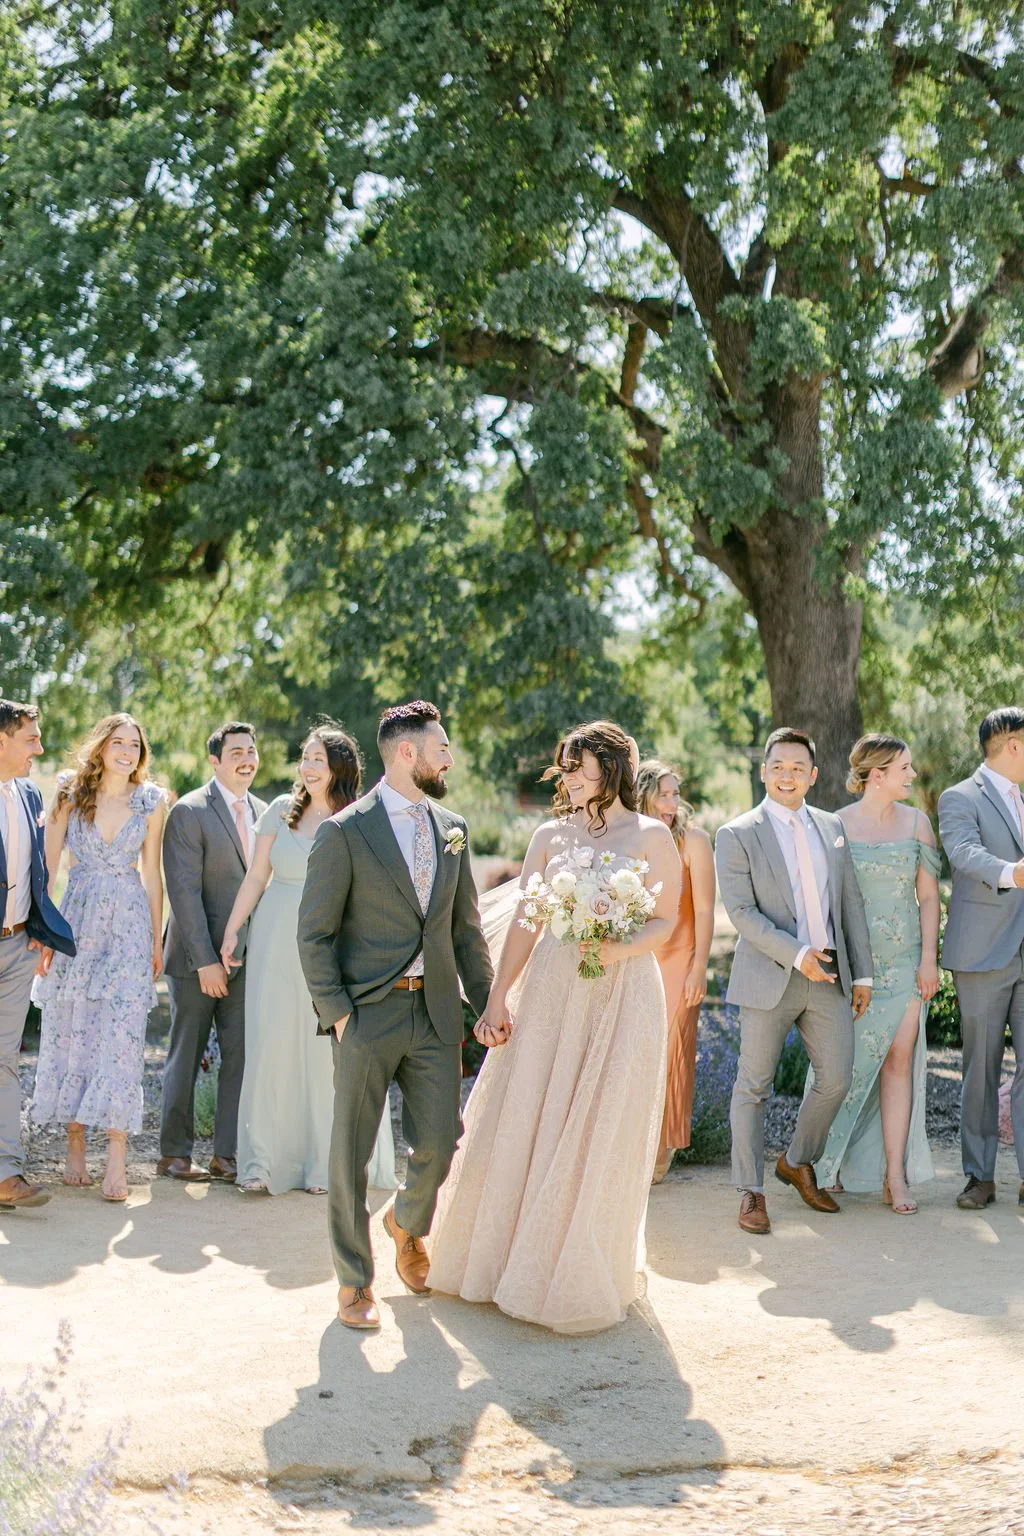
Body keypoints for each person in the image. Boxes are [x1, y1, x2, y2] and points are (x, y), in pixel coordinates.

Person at [428, 720, 682, 1335]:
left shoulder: (653, 836)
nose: (566, 776)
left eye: (578, 765)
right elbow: (526, 921)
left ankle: (575, 1264)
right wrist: (496, 999)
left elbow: (665, 921)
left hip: (621, 991)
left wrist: (611, 951)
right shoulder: (548, 835)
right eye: (563, 766)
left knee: (598, 1119)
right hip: (551, 988)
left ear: (613, 768)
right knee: (532, 1112)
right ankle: (503, 1261)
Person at [297, 700, 492, 1332]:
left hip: (435, 1012)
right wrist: (339, 1013)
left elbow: (466, 932)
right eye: (440, 747)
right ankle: (355, 1282)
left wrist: (488, 1006)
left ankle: (407, 1224)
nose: (448, 758)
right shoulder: (344, 832)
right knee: (350, 1154)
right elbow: (315, 935)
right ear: (407, 753)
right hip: (367, 1014)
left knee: (441, 1141)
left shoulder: (454, 827)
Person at [221, 723, 396, 1195]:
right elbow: (257, 876)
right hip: (276, 938)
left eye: (319, 759)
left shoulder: (358, 817)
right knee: (270, 1046)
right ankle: (261, 1164)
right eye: (307, 758)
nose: (309, 767)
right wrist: (233, 928)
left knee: (327, 1053)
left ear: (339, 766)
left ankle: (324, 1166)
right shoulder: (280, 811)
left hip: (332, 942)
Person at [714, 728, 873, 1235]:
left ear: (813, 775)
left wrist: (861, 972)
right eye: (778, 766)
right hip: (770, 974)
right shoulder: (737, 833)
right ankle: (750, 1193)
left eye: (797, 768)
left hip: (828, 974)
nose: (787, 775)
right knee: (753, 1086)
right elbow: (741, 913)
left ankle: (797, 1161)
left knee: (838, 1078)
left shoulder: (832, 828)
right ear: (763, 772)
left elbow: (850, 904)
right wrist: (796, 952)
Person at [31, 714, 165, 1201]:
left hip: (129, 925)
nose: (127, 752)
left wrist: (156, 940)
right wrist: (44, 932)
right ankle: (74, 1142)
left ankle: (116, 1156)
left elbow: (152, 873)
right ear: (102, 747)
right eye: (119, 742)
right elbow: (47, 867)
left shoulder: (151, 801)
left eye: (135, 745)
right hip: (78, 920)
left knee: (123, 1037)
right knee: (73, 1027)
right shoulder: (69, 792)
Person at [808, 735, 940, 1212]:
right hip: (856, 968)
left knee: (898, 1062)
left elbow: (928, 897)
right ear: (877, 774)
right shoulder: (836, 824)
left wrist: (929, 959)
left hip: (905, 962)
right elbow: (826, 902)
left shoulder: (918, 824)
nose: (912, 775)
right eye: (904, 768)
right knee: (843, 1065)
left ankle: (895, 1176)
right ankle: (824, 1163)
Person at [159, 721, 266, 1183]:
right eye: (236, 752)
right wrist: (205, 961)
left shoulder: (267, 814)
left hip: (247, 961)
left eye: (251, 750)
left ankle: (228, 1154)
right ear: (215, 761)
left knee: (241, 1057)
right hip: (194, 960)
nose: (246, 758)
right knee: (187, 1053)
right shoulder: (189, 811)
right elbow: (183, 892)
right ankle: (174, 1154)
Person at [938, 706, 1024, 1210]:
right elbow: (964, 853)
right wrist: (1014, 872)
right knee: (981, 1069)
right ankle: (979, 1176)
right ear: (1012, 743)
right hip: (983, 956)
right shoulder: (959, 797)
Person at [0, 700, 76, 1211]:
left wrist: (37, 924)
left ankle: (6, 1173)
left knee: (4, 1059)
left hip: (17, 946)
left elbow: (37, 867)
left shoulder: (28, 793)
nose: (40, 748)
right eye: (31, 738)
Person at [635, 760, 715, 1181]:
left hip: (680, 958)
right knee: (635, 1052)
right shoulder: (629, 840)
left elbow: (703, 908)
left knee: (672, 1052)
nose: (672, 802)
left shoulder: (693, 841)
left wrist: (699, 966)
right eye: (663, 794)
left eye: (675, 793)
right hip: (637, 960)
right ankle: (631, 1142)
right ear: (642, 795)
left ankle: (663, 1146)